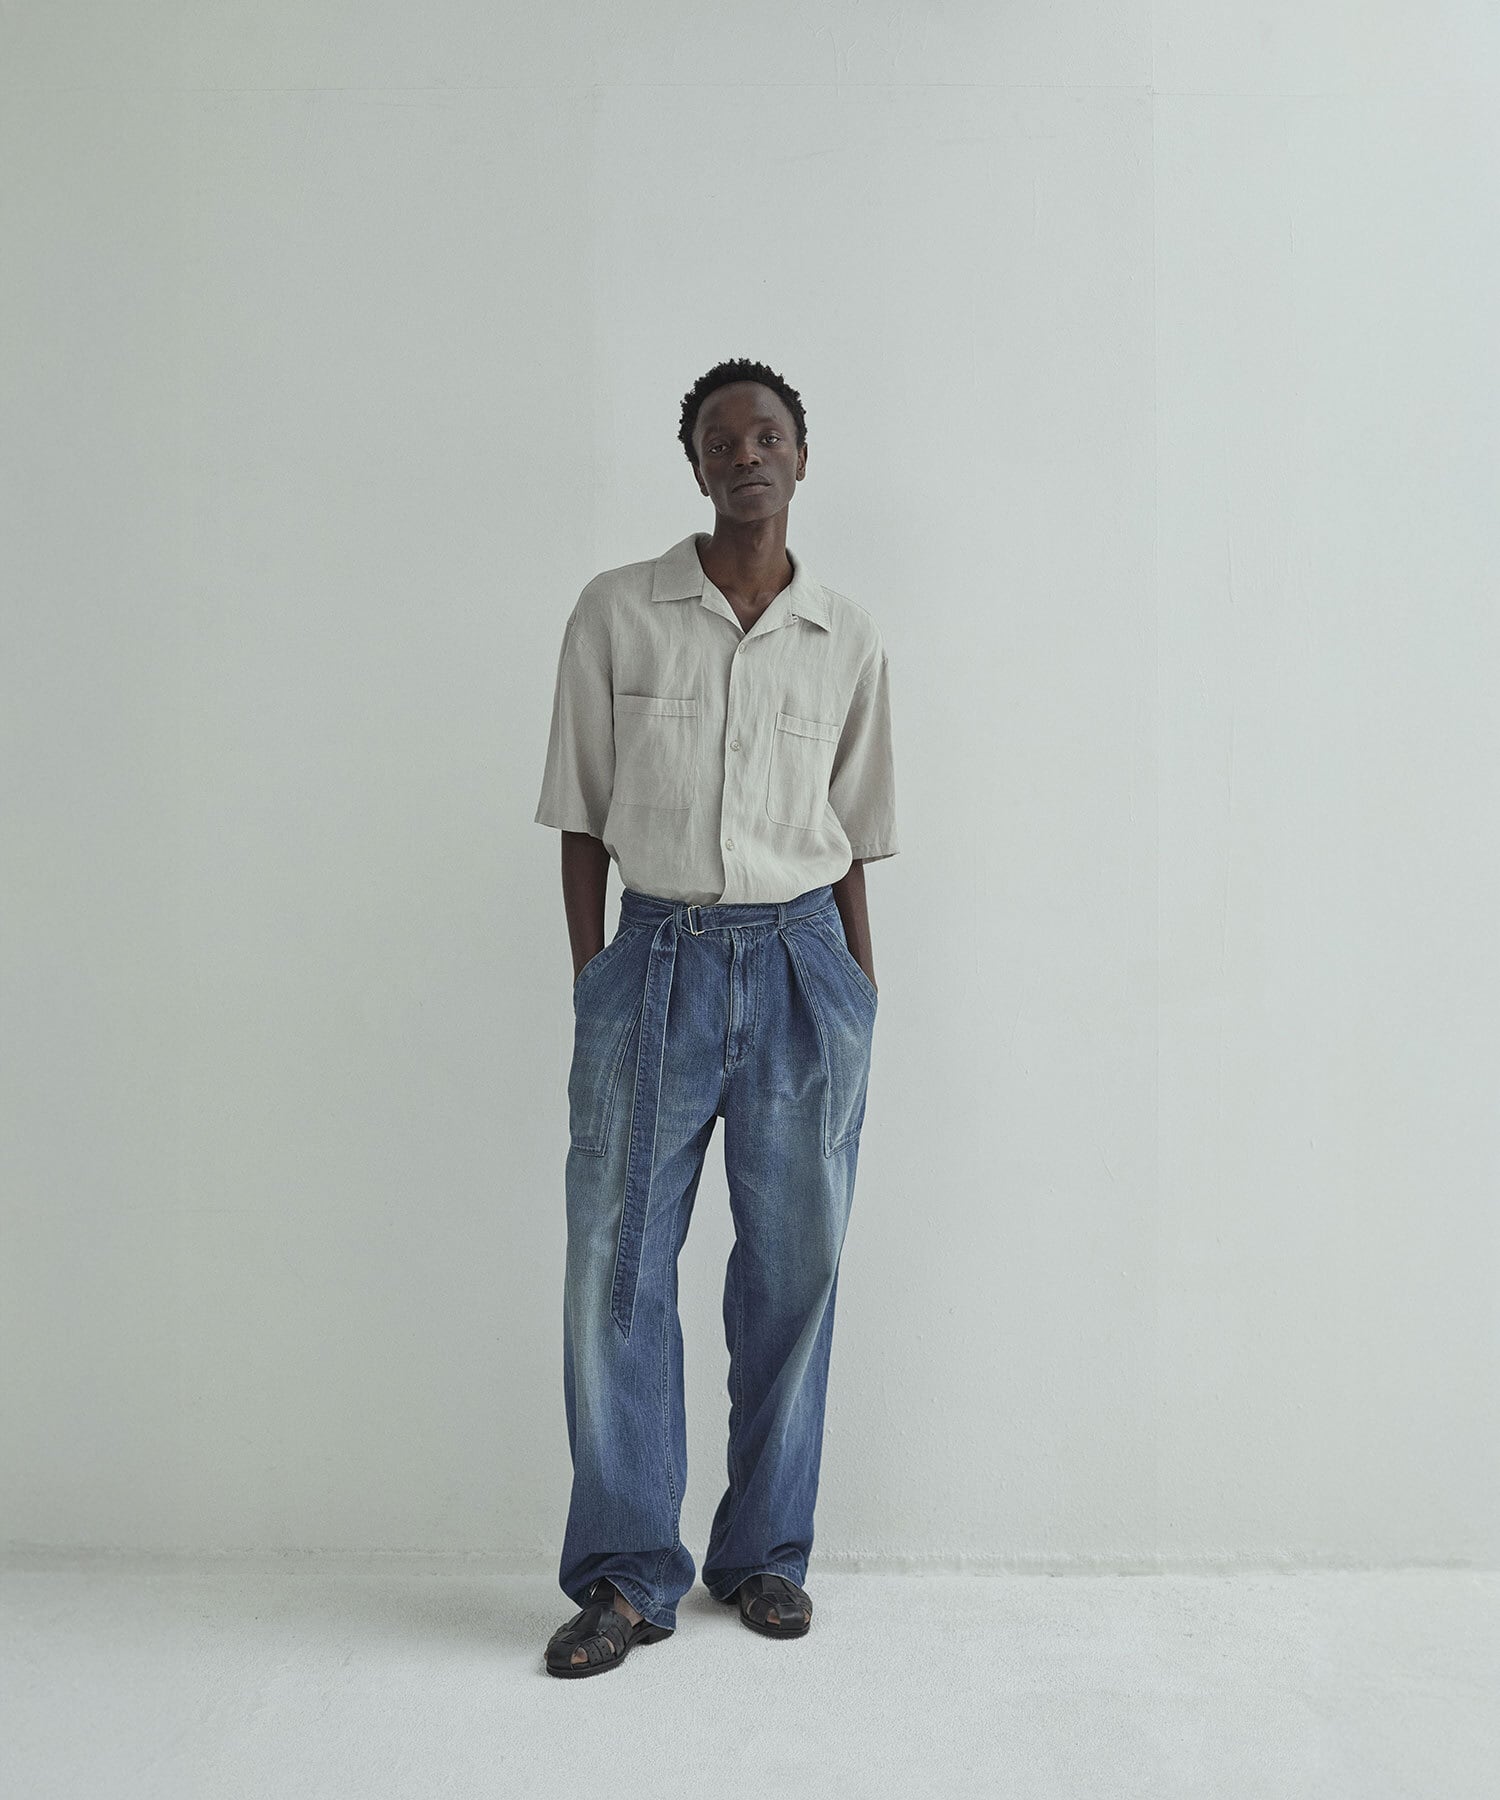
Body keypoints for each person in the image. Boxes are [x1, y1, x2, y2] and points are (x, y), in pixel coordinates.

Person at [532, 357, 899, 1677]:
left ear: (802, 456)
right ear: (694, 465)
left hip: (804, 965)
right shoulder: (618, 612)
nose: (746, 455)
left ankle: (764, 1557)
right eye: (720, 440)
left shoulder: (845, 636)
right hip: (657, 963)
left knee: (796, 1270)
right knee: (616, 1272)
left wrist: (858, 996)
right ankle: (626, 1577)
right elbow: (579, 815)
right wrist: (597, 980)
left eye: (768, 435)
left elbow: (855, 834)